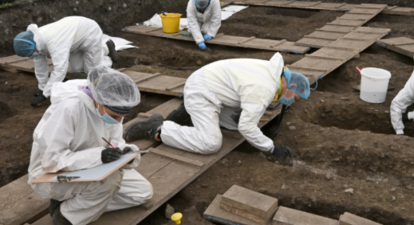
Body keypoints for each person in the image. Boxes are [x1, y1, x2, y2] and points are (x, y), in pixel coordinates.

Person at [124, 52, 310, 160]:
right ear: (291, 86)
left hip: (212, 86)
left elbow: (255, 101)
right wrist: (270, 148)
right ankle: (157, 128)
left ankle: (191, 115)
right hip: (203, 92)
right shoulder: (264, 88)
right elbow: (247, 126)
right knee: (211, 143)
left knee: (234, 124)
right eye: (295, 98)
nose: (292, 101)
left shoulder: (272, 73)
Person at [28, 66, 152, 225]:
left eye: (122, 117)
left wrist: (124, 153)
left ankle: (75, 203)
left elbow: (114, 142)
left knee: (141, 193)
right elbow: (51, 160)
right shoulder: (69, 108)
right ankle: (66, 216)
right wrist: (99, 156)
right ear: (98, 101)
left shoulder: (111, 109)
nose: (118, 120)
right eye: (115, 115)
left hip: (93, 166)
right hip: (49, 175)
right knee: (108, 183)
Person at [13, 16, 119, 107]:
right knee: (78, 70)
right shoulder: (35, 41)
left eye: (30, 54)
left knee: (91, 72)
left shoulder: (54, 42)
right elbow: (40, 65)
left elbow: (60, 70)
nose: (31, 57)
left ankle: (106, 48)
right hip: (73, 38)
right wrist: (42, 87)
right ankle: (100, 50)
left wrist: (45, 95)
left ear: (34, 47)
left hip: (89, 32)